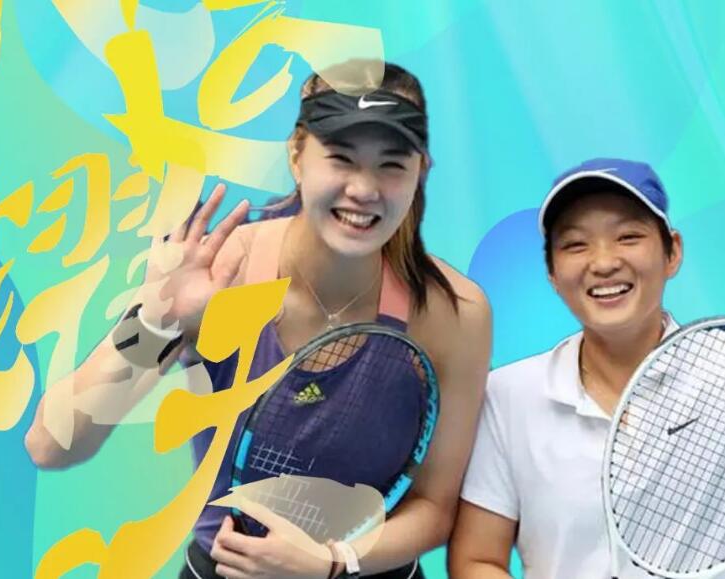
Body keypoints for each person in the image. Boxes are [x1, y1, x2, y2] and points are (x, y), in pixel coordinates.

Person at [25, 61, 492, 579]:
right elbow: (51, 444)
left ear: (421, 171)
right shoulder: (222, 270)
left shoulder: (455, 313)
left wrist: (333, 561)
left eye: (391, 165)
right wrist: (156, 322)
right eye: (341, 158)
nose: (364, 189)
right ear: (297, 155)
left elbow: (434, 506)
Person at [447, 158, 684, 579]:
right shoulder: (509, 394)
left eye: (628, 236)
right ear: (552, 274)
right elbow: (477, 560)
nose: (604, 262)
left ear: (672, 252)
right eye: (575, 244)